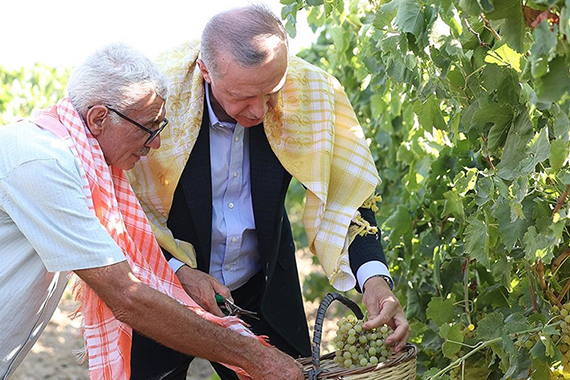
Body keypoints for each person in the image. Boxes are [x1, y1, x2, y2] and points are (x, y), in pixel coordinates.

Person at [127, 4, 411, 379]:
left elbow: (348, 196)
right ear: (205, 72)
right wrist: (178, 270)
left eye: (270, 91)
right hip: (164, 283)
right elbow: (119, 206)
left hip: (260, 288)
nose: (259, 110)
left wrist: (374, 279)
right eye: (244, 96)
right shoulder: (156, 102)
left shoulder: (309, 94)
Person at [0, 42, 304, 380]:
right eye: (149, 126)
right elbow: (127, 297)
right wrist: (257, 358)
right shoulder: (43, 163)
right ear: (99, 118)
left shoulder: (75, 162)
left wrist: (180, 273)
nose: (155, 143)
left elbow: (125, 255)